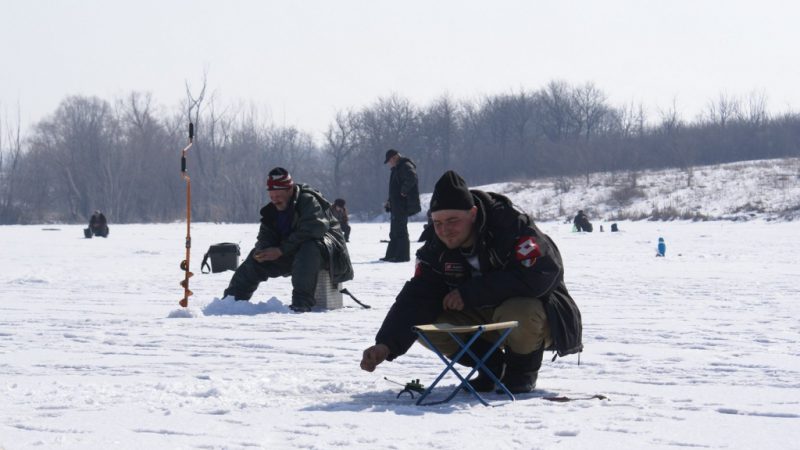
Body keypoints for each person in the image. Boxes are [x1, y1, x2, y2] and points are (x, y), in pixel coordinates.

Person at [361, 171, 582, 394]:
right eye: (437, 223)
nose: (445, 231)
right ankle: (491, 367)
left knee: (521, 309)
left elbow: (541, 274)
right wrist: (386, 344)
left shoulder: (511, 226)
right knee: (425, 327)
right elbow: (417, 296)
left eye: (452, 221)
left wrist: (471, 293)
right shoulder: (435, 247)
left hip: (539, 318)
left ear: (473, 213)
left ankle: (521, 373)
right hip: (481, 317)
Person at [222, 167, 354, 312]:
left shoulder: (308, 201)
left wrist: (280, 250)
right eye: (272, 197)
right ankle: (231, 302)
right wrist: (263, 250)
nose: (275, 201)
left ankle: (301, 303)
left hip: (329, 253)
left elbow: (314, 229)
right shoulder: (272, 210)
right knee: (255, 258)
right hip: (293, 251)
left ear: (290, 190)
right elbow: (266, 235)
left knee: (308, 248)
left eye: (278, 197)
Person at [382, 148, 421, 262]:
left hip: (403, 204)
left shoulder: (405, 165)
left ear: (395, 157)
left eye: (389, 161)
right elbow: (394, 187)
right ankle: (391, 255)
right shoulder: (397, 168)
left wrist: (404, 190)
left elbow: (412, 178)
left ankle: (402, 256)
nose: (389, 163)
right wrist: (390, 201)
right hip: (396, 203)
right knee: (394, 230)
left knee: (400, 230)